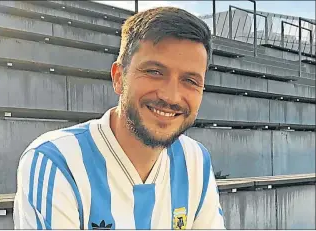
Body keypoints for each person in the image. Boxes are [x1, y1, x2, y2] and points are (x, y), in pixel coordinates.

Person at [13, 6, 225, 229]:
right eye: (154, 72)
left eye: (190, 81)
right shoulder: (56, 161)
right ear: (118, 77)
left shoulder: (196, 160)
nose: (171, 96)